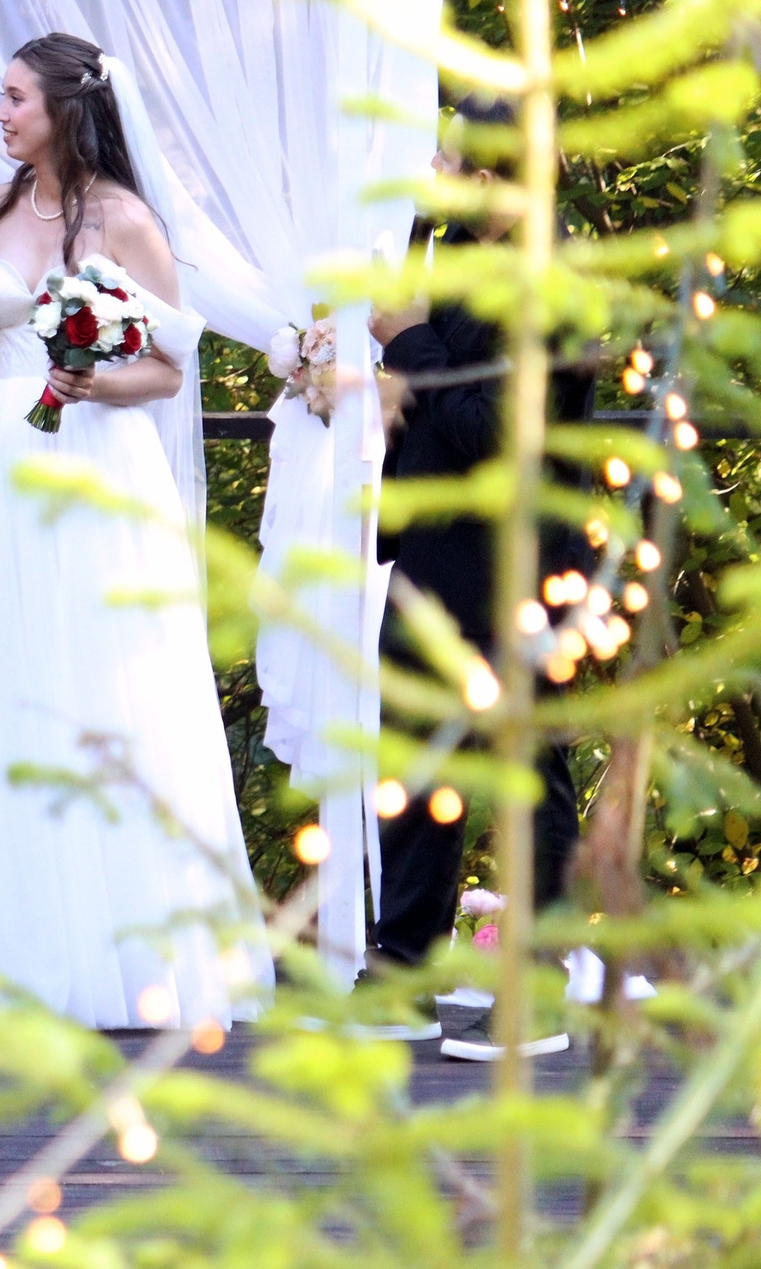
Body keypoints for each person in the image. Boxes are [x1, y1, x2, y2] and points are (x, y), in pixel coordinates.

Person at [0, 32, 273, 1030]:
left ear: (64, 111)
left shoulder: (127, 222)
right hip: (0, 462)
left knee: (102, 686)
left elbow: (167, 369)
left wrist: (91, 380)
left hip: (100, 466)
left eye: (12, 99)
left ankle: (119, 950)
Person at [369, 146, 593, 1059]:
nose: (439, 176)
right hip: (433, 559)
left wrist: (412, 346)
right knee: (414, 771)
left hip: (516, 569)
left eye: (461, 165)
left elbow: (503, 437)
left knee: (524, 776)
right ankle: (403, 971)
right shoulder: (454, 258)